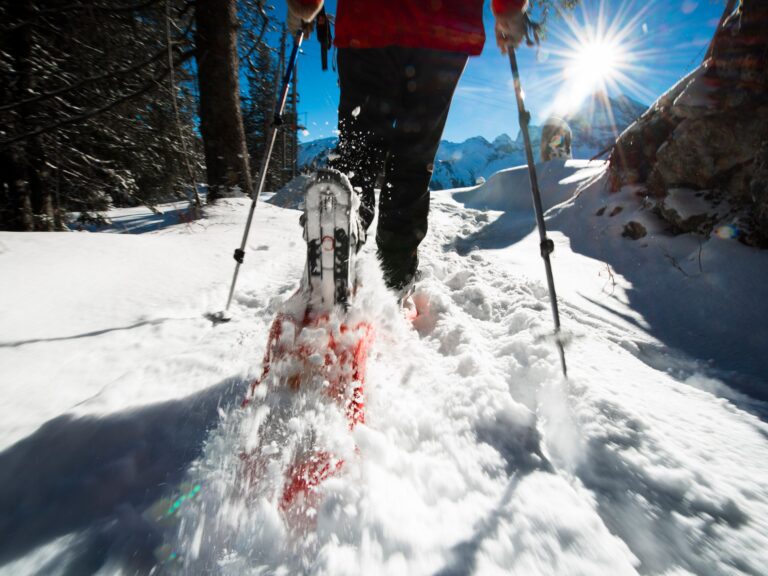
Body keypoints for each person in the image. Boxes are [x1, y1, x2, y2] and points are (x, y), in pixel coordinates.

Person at [288, 0, 528, 298]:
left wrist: (304, 3)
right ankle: (395, 280)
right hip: (444, 30)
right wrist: (509, 8)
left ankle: (335, 236)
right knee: (412, 163)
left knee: (358, 152)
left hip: (368, 20)